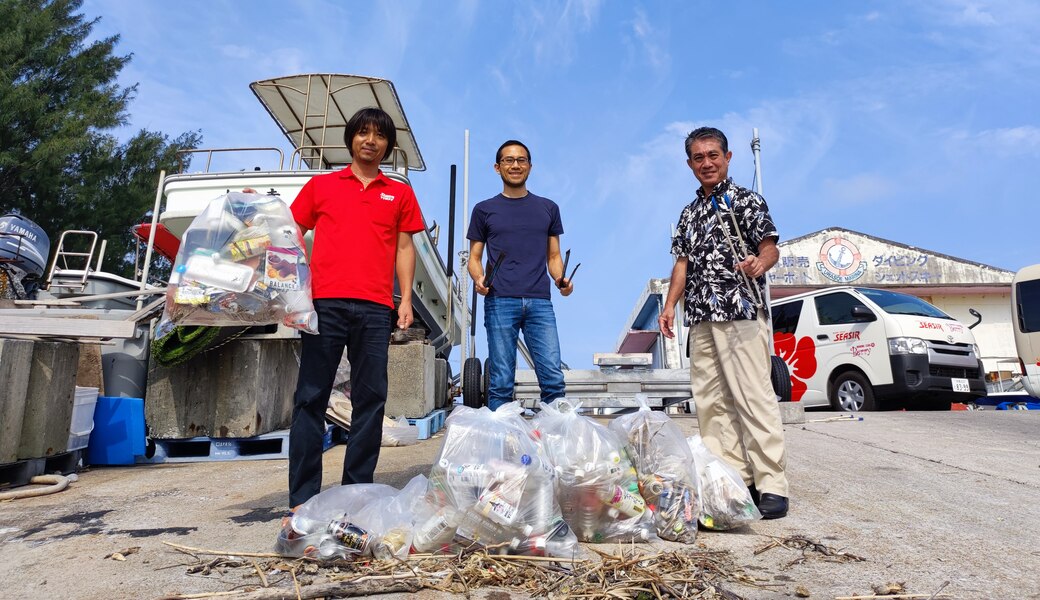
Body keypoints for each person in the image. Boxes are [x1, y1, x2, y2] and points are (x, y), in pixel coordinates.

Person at [286, 107, 425, 508]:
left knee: (372, 399)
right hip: (324, 303)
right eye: (362, 133)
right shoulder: (322, 186)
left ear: (387, 146)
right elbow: (291, 233)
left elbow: (404, 247)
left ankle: (355, 492)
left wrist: (406, 300)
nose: (370, 140)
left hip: (374, 308)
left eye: (378, 135)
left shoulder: (398, 192)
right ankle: (302, 499)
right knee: (310, 398)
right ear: (351, 139)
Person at [659, 126, 790, 519]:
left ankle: (773, 484)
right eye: (698, 158)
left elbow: (771, 248)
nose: (707, 163)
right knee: (711, 405)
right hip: (700, 317)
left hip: (741, 311)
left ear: (728, 157)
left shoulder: (747, 201)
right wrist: (669, 306)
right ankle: (734, 481)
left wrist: (758, 263)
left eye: (713, 155)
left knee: (753, 397)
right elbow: (681, 264)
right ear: (689, 164)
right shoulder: (688, 213)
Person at [467, 140, 573, 411]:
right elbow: (475, 259)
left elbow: (553, 256)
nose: (515, 165)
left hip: (540, 302)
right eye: (508, 160)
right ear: (497, 167)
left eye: (521, 160)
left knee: (553, 378)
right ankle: (500, 446)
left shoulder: (548, 208)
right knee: (501, 381)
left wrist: (561, 280)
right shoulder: (483, 209)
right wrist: (478, 279)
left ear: (530, 166)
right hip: (500, 300)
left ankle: (558, 442)